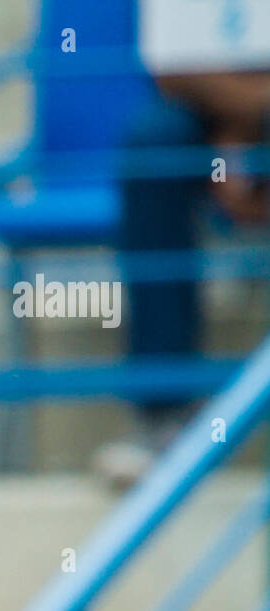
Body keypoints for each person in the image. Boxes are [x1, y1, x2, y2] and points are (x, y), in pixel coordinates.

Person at [94, 0, 270, 488]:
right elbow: (175, 68)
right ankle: (164, 413)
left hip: (241, 113)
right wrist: (232, 141)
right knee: (154, 143)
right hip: (203, 115)